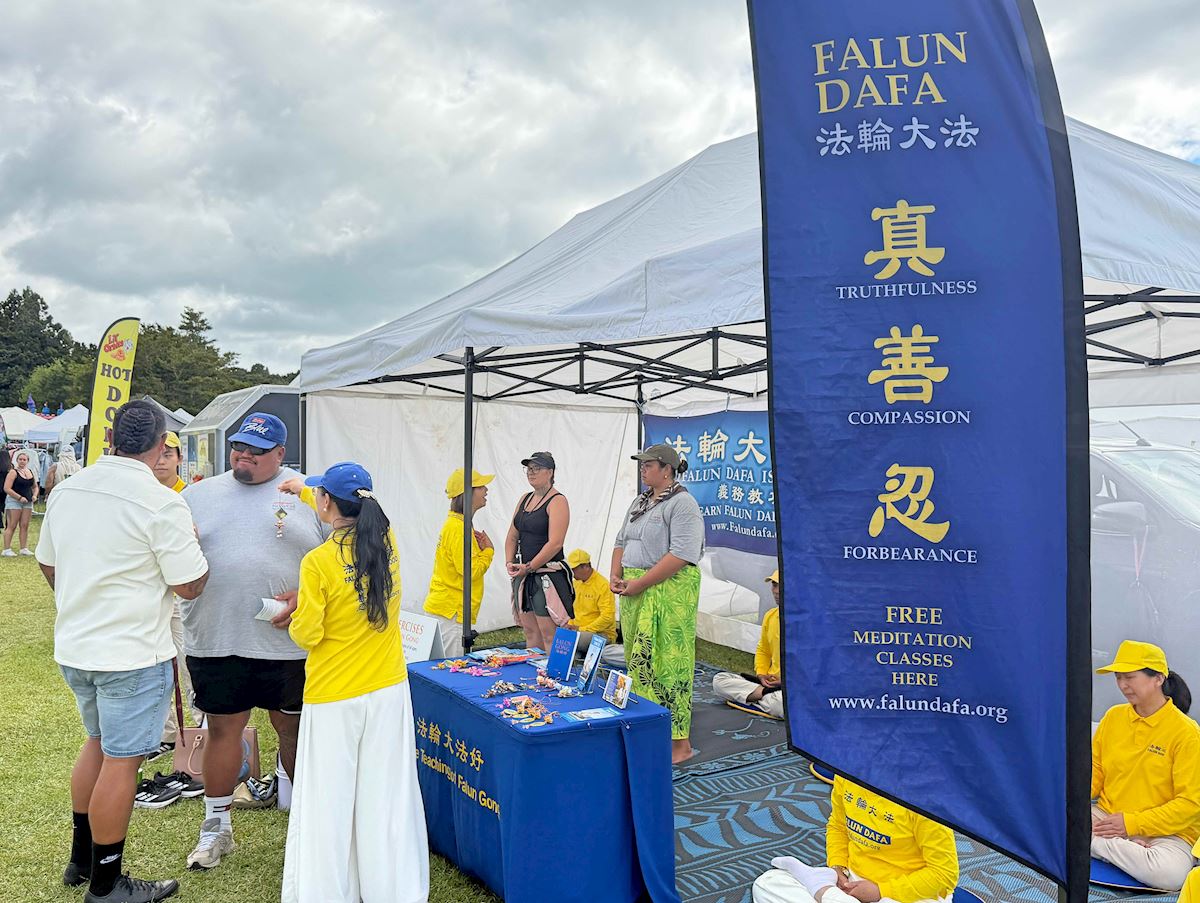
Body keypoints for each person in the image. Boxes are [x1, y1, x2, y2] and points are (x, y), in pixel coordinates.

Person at [36, 400, 209, 903]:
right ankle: (106, 885)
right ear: (160, 446)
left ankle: (81, 861)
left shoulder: (68, 489)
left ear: (111, 437)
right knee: (121, 761)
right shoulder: (161, 501)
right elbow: (190, 584)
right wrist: (195, 547)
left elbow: (48, 563)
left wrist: (81, 601)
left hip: (77, 646)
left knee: (97, 743)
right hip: (132, 653)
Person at [179, 412, 325, 870]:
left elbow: (340, 560)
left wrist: (306, 598)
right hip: (216, 635)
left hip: (290, 642)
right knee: (223, 730)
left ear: (281, 454)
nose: (244, 455)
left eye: (257, 451)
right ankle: (216, 829)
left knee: (295, 730)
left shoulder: (310, 494)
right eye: (239, 447)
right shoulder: (196, 495)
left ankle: (310, 827)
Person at [281, 461, 429, 902]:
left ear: (327, 503)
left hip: (334, 695)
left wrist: (291, 617)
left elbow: (307, 634)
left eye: (319, 494)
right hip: (387, 689)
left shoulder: (318, 562)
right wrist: (305, 487)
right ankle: (391, 889)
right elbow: (345, 505)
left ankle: (327, 891)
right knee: (385, 796)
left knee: (329, 801)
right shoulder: (387, 541)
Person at [611, 443, 705, 764]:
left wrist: (640, 583)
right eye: (642, 464)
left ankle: (680, 743)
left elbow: (681, 554)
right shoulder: (640, 501)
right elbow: (621, 541)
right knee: (640, 662)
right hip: (637, 590)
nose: (643, 469)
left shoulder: (683, 504)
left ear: (667, 470)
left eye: (649, 464)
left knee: (669, 663)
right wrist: (616, 574)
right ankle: (648, 729)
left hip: (669, 593)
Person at [1091, 639, 1200, 890]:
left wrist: (1131, 824)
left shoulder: (1186, 733)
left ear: (1158, 678)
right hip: (1108, 817)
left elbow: (1190, 805)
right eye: (1119, 678)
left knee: (1170, 875)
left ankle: (1096, 845)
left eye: (1130, 677)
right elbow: (1095, 772)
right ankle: (1124, 850)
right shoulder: (1114, 717)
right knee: (1051, 825)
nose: (1123, 685)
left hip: (1168, 833)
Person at [753, 775, 959, 903]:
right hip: (853, 880)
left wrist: (881, 891)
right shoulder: (848, 774)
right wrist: (838, 866)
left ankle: (820, 890)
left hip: (909, 894)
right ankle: (826, 889)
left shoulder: (926, 798)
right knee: (767, 883)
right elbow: (838, 826)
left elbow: (944, 874)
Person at [149, 432, 200, 758]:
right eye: (157, 454)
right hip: (150, 593)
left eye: (168, 454)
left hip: (183, 594)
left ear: (180, 459)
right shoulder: (142, 493)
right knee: (153, 667)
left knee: (188, 663)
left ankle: (200, 729)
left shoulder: (192, 495)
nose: (161, 461)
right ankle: (164, 734)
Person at [506, 451, 573, 653]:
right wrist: (509, 562)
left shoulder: (557, 501)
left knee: (549, 633)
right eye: (529, 468)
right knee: (530, 631)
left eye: (537, 468)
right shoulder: (524, 499)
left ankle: (553, 671)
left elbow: (555, 543)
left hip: (546, 575)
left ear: (550, 472)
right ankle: (534, 670)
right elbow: (512, 536)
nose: (531, 472)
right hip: (524, 575)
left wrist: (530, 567)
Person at [424, 468, 496, 657]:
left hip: (447, 609)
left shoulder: (457, 524)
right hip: (452, 612)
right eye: (480, 486)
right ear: (468, 493)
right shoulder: (458, 528)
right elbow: (470, 571)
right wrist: (488, 551)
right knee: (452, 667)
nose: (486, 489)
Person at [713, 569, 783, 718]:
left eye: (781, 585)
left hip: (795, 687)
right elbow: (763, 650)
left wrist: (785, 682)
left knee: (782, 704)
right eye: (774, 585)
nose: (776, 591)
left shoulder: (809, 622)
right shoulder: (770, 616)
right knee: (719, 680)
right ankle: (764, 696)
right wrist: (761, 674)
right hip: (769, 685)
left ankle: (753, 697)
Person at [566, 548, 616, 647]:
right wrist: (570, 625)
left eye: (573, 569)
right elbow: (572, 611)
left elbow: (607, 618)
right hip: (580, 631)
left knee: (570, 640)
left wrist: (581, 629)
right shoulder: (575, 583)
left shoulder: (603, 585)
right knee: (558, 638)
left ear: (586, 566)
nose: (571, 572)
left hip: (601, 634)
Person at [3, 449, 39, 555]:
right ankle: (6, 549)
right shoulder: (13, 472)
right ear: (17, 460)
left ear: (28, 461)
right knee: (12, 525)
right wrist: (19, 497)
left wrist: (35, 495)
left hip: (27, 501)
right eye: (20, 459)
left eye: (24, 459)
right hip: (14, 501)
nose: (22, 461)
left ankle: (23, 548)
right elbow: (7, 488)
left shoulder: (30, 472)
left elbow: (35, 486)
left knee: (24, 525)